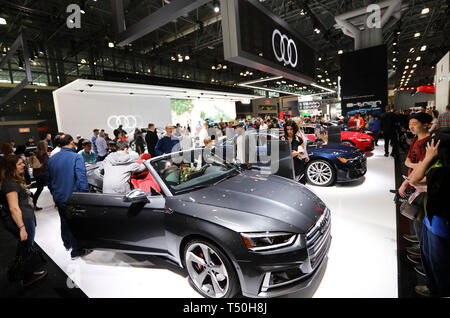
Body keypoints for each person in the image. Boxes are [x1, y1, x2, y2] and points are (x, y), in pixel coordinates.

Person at [409, 134, 450, 297]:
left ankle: (438, 291)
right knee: (432, 258)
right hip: (435, 220)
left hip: (439, 224)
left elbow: (414, 179)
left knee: (437, 262)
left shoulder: (440, 170)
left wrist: (428, 157)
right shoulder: (441, 169)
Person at [0, 154, 47, 286]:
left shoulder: (11, 181)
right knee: (26, 248)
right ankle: (26, 276)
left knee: (25, 247)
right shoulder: (10, 184)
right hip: (23, 220)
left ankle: (24, 272)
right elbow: (14, 208)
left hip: (25, 217)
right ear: (11, 168)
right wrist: (22, 227)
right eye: (20, 164)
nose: (23, 165)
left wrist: (27, 198)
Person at [46, 134, 91, 260]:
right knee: (75, 223)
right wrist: (85, 196)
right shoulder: (76, 157)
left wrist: (54, 192)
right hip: (73, 196)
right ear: (71, 142)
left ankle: (67, 243)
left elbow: (48, 181)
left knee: (64, 219)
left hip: (59, 196)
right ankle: (76, 251)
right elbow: (82, 179)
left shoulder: (52, 159)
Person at [31, 141, 49, 211]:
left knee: (39, 189)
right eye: (46, 145)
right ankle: (58, 202)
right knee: (51, 187)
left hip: (36, 173)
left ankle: (33, 204)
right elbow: (47, 163)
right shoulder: (43, 154)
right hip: (42, 173)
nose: (47, 146)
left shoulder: (35, 153)